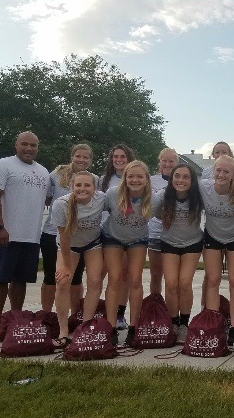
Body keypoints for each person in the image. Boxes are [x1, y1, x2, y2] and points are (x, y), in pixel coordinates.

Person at [0, 131, 50, 341]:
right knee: (0, 280)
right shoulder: (3, 165)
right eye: (24, 144)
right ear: (16, 145)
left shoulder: (43, 172)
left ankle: (14, 319)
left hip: (31, 236)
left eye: (33, 145)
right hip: (5, 235)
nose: (29, 148)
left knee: (20, 281)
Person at [102, 160, 158, 346]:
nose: (135, 180)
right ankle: (110, 327)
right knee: (115, 278)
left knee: (135, 279)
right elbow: (93, 208)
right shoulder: (112, 194)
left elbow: (170, 215)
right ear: (124, 178)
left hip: (138, 239)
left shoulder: (154, 199)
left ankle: (134, 327)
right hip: (113, 237)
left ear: (147, 179)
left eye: (139, 176)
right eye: (131, 176)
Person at [50, 171, 106, 347]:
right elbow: (64, 238)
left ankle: (85, 326)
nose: (83, 189)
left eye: (87, 185)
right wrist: (66, 266)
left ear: (95, 188)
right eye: (78, 185)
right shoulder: (61, 204)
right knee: (62, 282)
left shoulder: (101, 199)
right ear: (71, 187)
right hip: (69, 247)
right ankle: (63, 331)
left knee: (95, 282)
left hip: (93, 244)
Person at [199, 155, 234, 345]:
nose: (221, 174)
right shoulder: (204, 187)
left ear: (233, 175)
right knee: (213, 280)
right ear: (213, 171)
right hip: (213, 235)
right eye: (218, 170)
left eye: (226, 171)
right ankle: (213, 323)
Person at [39, 143, 95, 315]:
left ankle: (74, 315)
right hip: (52, 233)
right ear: (72, 157)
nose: (81, 159)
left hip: (79, 238)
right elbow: (47, 199)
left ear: (90, 160)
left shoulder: (94, 179)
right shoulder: (56, 175)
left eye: (86, 157)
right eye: (78, 156)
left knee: (75, 278)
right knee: (51, 277)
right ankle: (47, 316)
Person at [158, 164, 204, 344]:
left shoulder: (198, 197)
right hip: (169, 242)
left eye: (186, 177)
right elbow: (152, 212)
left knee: (184, 283)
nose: (181, 180)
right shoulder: (162, 196)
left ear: (192, 181)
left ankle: (184, 324)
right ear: (171, 178)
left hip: (192, 242)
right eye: (177, 176)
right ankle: (173, 322)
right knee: (170, 283)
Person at [100, 144, 137, 331]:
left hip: (128, 234)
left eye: (123, 156)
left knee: (123, 275)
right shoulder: (104, 180)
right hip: (107, 232)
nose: (119, 159)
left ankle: (120, 314)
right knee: (102, 275)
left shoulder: (136, 178)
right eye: (116, 156)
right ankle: (105, 314)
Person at [148, 148, 178, 296]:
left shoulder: (183, 181)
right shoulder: (151, 180)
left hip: (176, 235)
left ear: (177, 163)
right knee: (156, 275)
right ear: (159, 162)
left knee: (173, 279)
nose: (167, 164)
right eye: (164, 160)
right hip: (155, 233)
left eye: (171, 161)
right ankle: (156, 307)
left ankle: (171, 310)